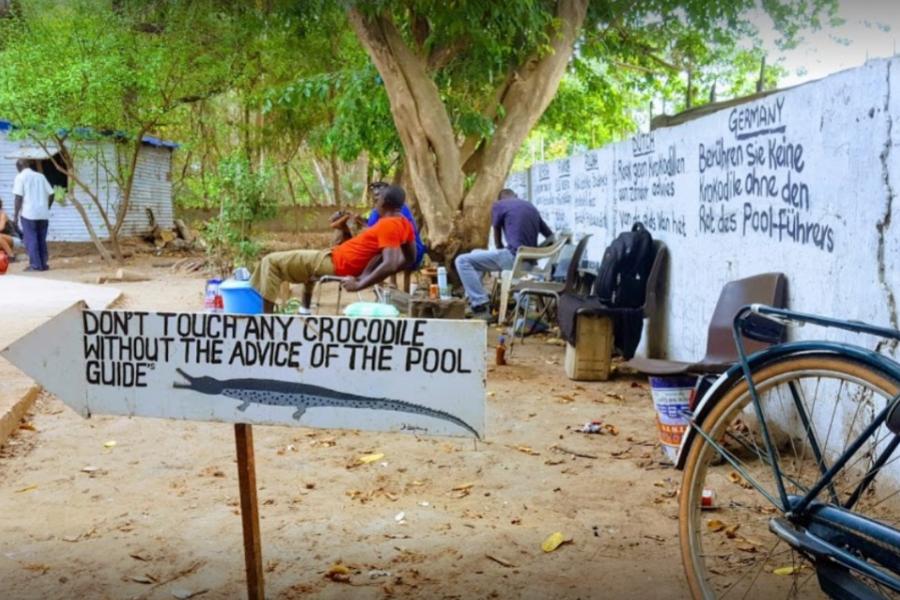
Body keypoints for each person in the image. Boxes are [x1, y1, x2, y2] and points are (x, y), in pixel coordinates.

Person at [252, 185, 416, 313]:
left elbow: (391, 263)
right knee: (306, 269)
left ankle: (268, 323)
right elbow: (409, 259)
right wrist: (365, 273)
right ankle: (305, 311)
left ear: (385, 203)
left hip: (334, 263)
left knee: (271, 261)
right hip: (333, 257)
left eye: (377, 199)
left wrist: (359, 284)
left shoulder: (389, 224)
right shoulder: (404, 223)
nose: (375, 202)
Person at [454, 188, 553, 321]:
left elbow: (497, 236)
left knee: (462, 261)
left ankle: (480, 305)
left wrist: (501, 250)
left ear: (500, 199)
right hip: (528, 262)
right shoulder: (530, 206)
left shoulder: (499, 205)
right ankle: (473, 301)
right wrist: (536, 252)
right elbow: (551, 237)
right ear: (516, 196)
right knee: (475, 253)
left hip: (513, 258)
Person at [365, 182, 427, 268]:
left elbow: (410, 231)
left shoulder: (400, 211)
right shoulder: (376, 212)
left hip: (406, 249)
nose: (376, 193)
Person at [12, 158, 54, 272]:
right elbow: (51, 194)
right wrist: (47, 207)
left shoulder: (20, 177)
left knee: (31, 239)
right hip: (43, 214)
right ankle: (43, 264)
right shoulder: (40, 176)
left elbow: (18, 198)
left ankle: (35, 265)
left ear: (19, 168)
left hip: (29, 214)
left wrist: (15, 216)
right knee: (41, 239)